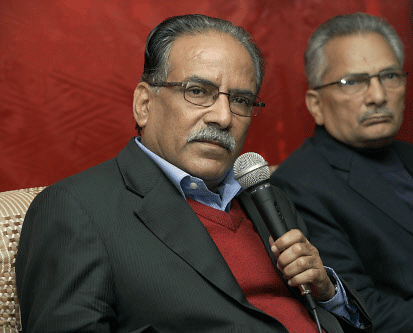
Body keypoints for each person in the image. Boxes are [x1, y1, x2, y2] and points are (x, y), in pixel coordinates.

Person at [16, 14, 371, 333]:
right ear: (144, 104)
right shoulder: (76, 210)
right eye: (198, 91)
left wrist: (328, 293)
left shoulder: (266, 195)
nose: (223, 117)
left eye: (241, 100)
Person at [270, 12, 412, 333]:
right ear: (316, 104)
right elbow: (362, 308)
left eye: (389, 76)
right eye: (353, 82)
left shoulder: (408, 155)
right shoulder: (299, 185)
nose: (377, 96)